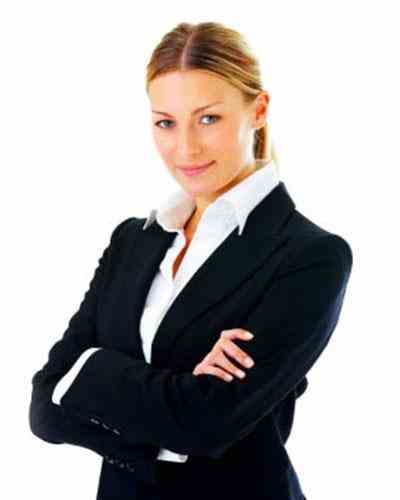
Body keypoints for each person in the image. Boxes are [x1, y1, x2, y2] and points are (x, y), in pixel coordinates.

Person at [29, 21, 353, 500]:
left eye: (208, 119)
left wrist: (91, 369)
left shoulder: (310, 256)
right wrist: (177, 392)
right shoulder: (132, 241)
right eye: (166, 122)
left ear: (258, 110)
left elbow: (204, 424)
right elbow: (44, 408)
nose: (186, 148)